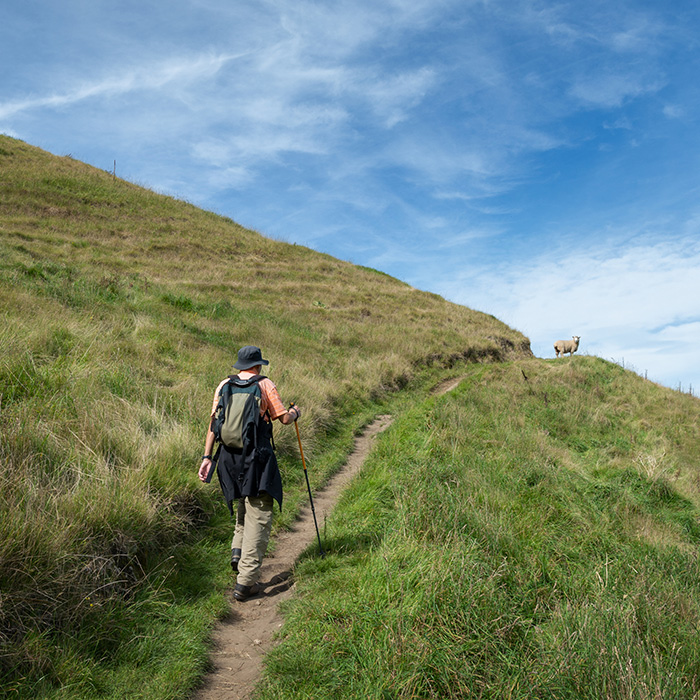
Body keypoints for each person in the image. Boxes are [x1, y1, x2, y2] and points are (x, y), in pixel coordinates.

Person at [198, 345, 301, 601]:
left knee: (244, 504)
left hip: (228, 458)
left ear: (240, 365)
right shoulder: (265, 385)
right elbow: (283, 419)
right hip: (257, 458)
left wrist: (206, 457)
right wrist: (296, 413)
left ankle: (238, 553)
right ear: (258, 365)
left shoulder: (224, 385)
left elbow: (214, 424)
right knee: (260, 513)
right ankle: (246, 582)